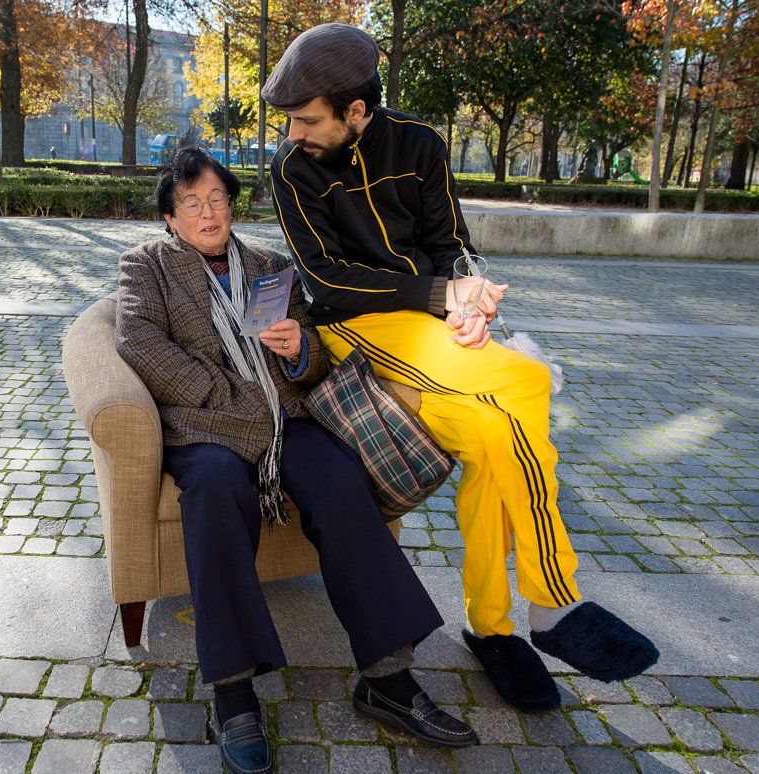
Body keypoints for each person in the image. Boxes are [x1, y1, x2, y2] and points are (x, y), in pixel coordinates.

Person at [264, 23, 659, 714]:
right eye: (290, 121)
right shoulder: (293, 168)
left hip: (432, 324)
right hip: (356, 330)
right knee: (528, 381)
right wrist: (439, 295)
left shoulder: (420, 143)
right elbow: (326, 280)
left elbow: (452, 244)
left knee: (496, 436)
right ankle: (554, 600)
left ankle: (490, 625)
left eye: (307, 120)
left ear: (356, 110)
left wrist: (469, 299)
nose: (293, 133)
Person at [115, 145, 478, 773]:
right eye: (191, 204)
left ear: (232, 206)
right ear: (170, 217)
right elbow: (138, 341)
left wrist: (297, 350)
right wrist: (222, 394)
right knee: (217, 489)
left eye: (217, 199)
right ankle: (234, 691)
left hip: (285, 418)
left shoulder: (269, 265)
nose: (208, 213)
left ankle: (387, 677)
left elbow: (314, 348)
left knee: (340, 479)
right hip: (208, 426)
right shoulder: (147, 265)